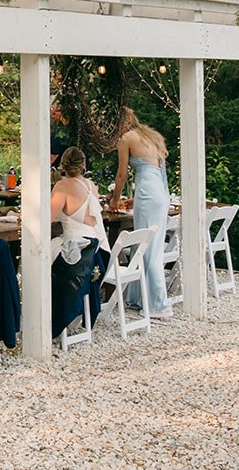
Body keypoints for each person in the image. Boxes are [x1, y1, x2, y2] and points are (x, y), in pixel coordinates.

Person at [109, 109, 173, 318]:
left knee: (147, 247)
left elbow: (122, 173)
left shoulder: (126, 138)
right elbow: (156, 171)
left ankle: (159, 305)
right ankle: (139, 298)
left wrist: (114, 199)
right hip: (159, 193)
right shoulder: (150, 136)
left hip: (147, 192)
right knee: (146, 245)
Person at [51, 145, 111, 336]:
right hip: (95, 251)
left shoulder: (62, 186)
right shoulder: (90, 185)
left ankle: (42, 314)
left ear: (63, 165)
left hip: (77, 252)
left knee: (38, 259)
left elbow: (48, 217)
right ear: (83, 166)